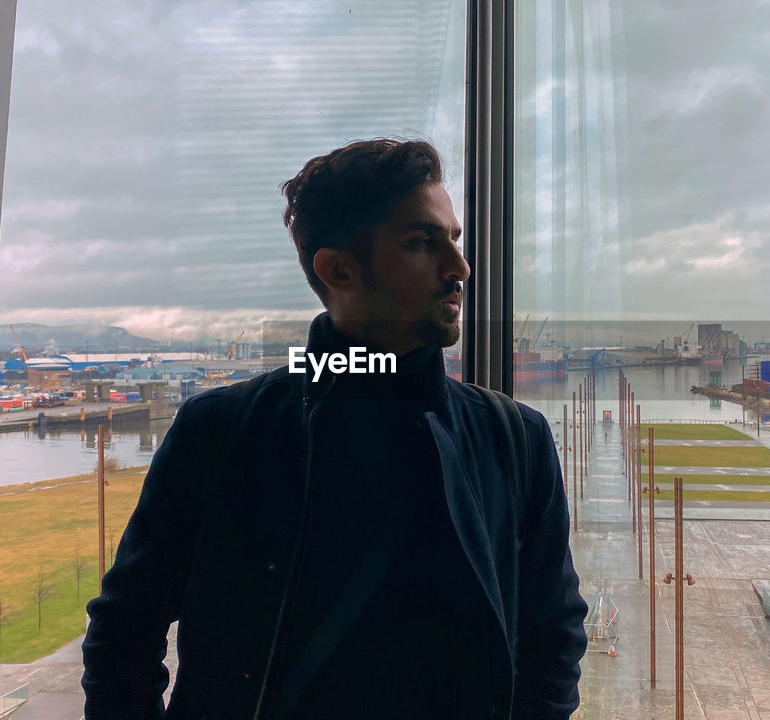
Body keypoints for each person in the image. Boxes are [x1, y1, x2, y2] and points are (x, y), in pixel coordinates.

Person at [81, 138, 589, 719]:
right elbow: (127, 626)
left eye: (454, 239)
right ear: (338, 268)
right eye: (423, 243)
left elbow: (553, 633)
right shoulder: (218, 432)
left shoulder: (516, 439)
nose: (460, 268)